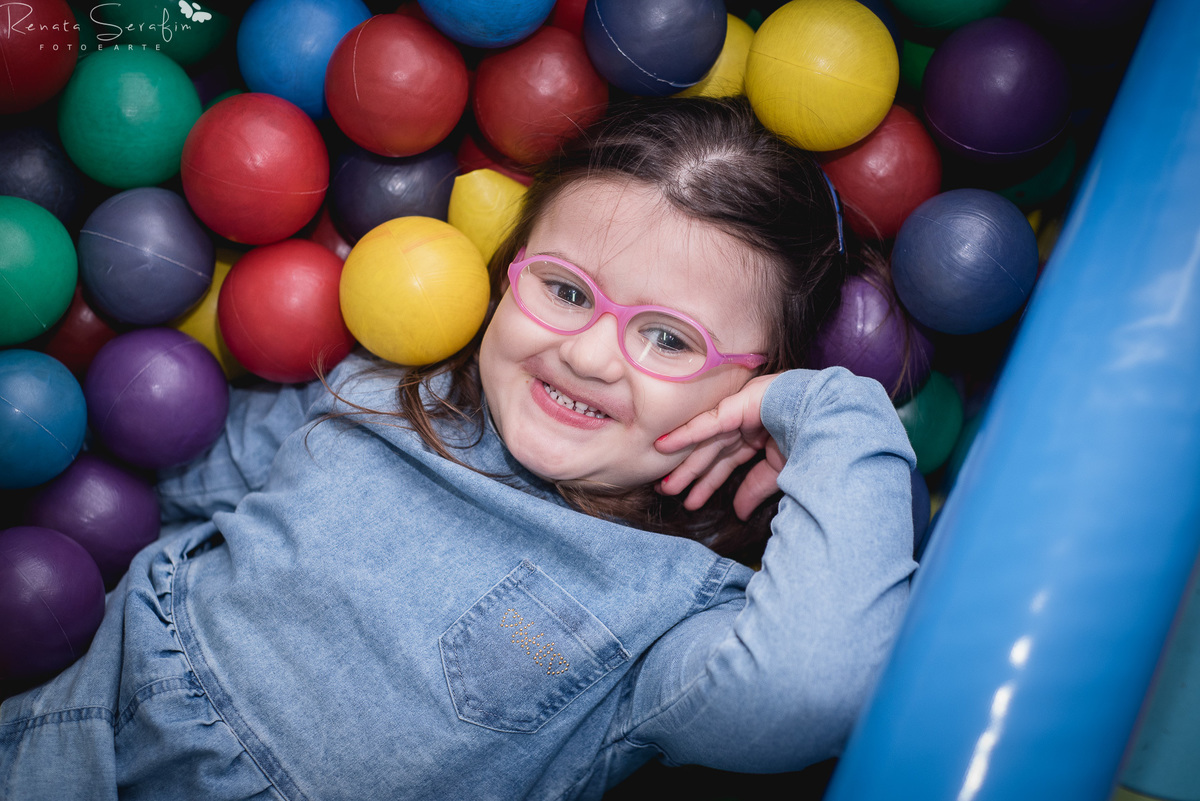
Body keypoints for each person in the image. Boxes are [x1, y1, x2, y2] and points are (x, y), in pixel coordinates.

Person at [0, 96, 917, 800]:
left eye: (670, 339)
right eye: (563, 290)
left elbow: (808, 689)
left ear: (749, 392)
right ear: (504, 272)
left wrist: (830, 412)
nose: (589, 351)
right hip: (58, 738)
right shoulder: (385, 385)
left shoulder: (668, 607)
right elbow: (182, 477)